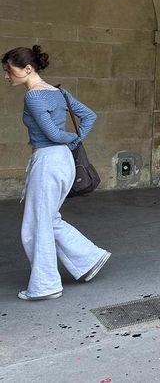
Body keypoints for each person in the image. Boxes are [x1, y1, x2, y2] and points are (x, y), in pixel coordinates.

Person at [2, 45, 111, 301]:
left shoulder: (34, 96)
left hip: (49, 160)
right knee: (48, 219)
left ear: (28, 69)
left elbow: (52, 134)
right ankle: (89, 258)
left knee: (35, 226)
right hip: (62, 161)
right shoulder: (59, 93)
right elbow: (89, 116)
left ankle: (45, 285)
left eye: (9, 71)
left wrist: (71, 140)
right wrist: (74, 141)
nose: (6, 76)